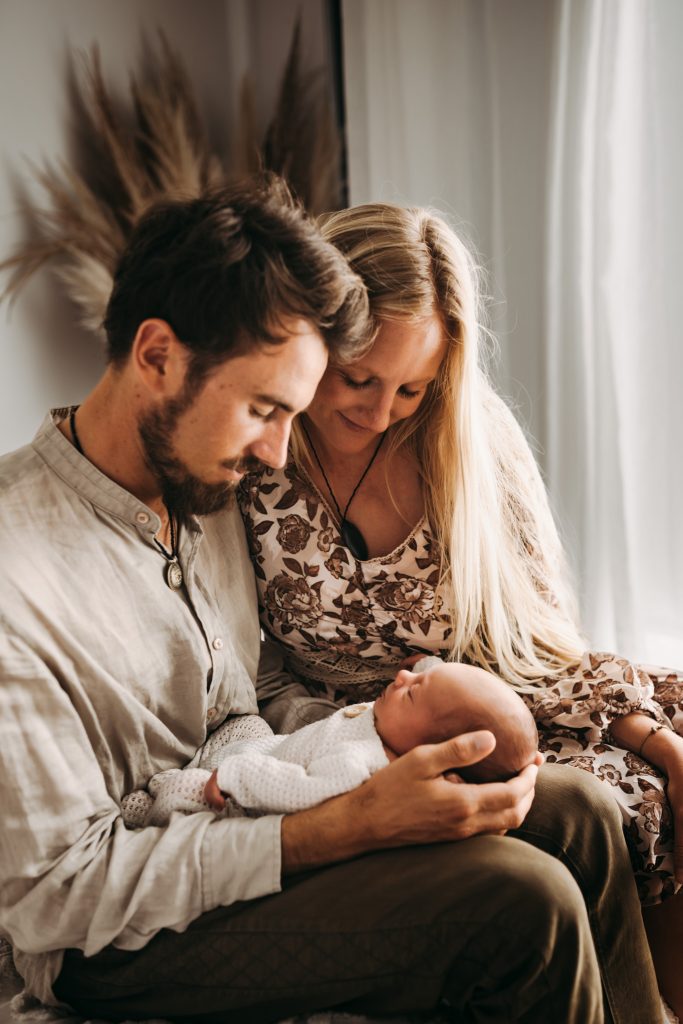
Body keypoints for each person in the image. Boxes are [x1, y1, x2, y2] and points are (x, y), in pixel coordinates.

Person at [0, 178, 662, 1024]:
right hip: (121, 939)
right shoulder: (18, 571)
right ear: (157, 356)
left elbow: (249, 701)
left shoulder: (201, 488)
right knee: (523, 901)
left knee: (577, 811)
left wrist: (377, 753)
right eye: (263, 410)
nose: (279, 455)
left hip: (247, 810)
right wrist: (346, 824)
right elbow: (54, 899)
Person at [238, 201, 683, 1017]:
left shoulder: (468, 441)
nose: (379, 413)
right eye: (358, 378)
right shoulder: (252, 450)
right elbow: (244, 673)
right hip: (337, 737)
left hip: (493, 704)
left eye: (410, 388)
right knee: (580, 812)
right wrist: (361, 737)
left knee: (645, 779)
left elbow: (536, 646)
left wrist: (657, 742)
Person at [120, 658, 539, 827]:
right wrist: (433, 673)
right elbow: (445, 696)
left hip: (242, 796)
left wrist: (234, 777)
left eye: (413, 691)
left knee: (180, 795)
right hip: (270, 746)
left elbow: (293, 789)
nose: (402, 677)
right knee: (248, 724)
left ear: (425, 751)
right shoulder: (399, 725)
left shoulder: (359, 767)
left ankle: (143, 810)